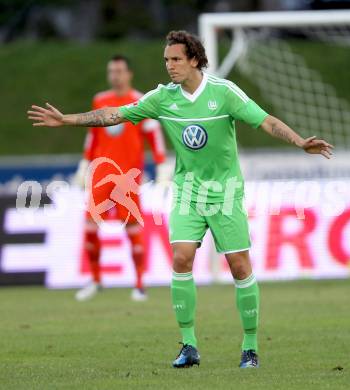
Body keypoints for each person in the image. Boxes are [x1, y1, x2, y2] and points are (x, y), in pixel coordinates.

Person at [27, 30, 333, 368]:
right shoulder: (162, 98)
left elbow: (265, 121)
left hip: (225, 193)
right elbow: (115, 114)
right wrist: (68, 119)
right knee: (181, 259)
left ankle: (250, 347)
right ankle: (188, 345)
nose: (170, 66)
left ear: (194, 60)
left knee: (239, 265)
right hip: (187, 192)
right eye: (166, 60)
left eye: (175, 59)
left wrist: (299, 141)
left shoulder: (224, 92)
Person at [73, 54, 167, 302]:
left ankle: (139, 284)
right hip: (101, 176)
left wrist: (161, 166)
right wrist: (84, 164)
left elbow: (153, 134)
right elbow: (92, 136)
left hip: (128, 177)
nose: (114, 76)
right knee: (90, 228)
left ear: (129, 74)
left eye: (119, 71)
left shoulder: (139, 101)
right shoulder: (100, 100)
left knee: (133, 229)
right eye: (111, 71)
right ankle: (95, 280)